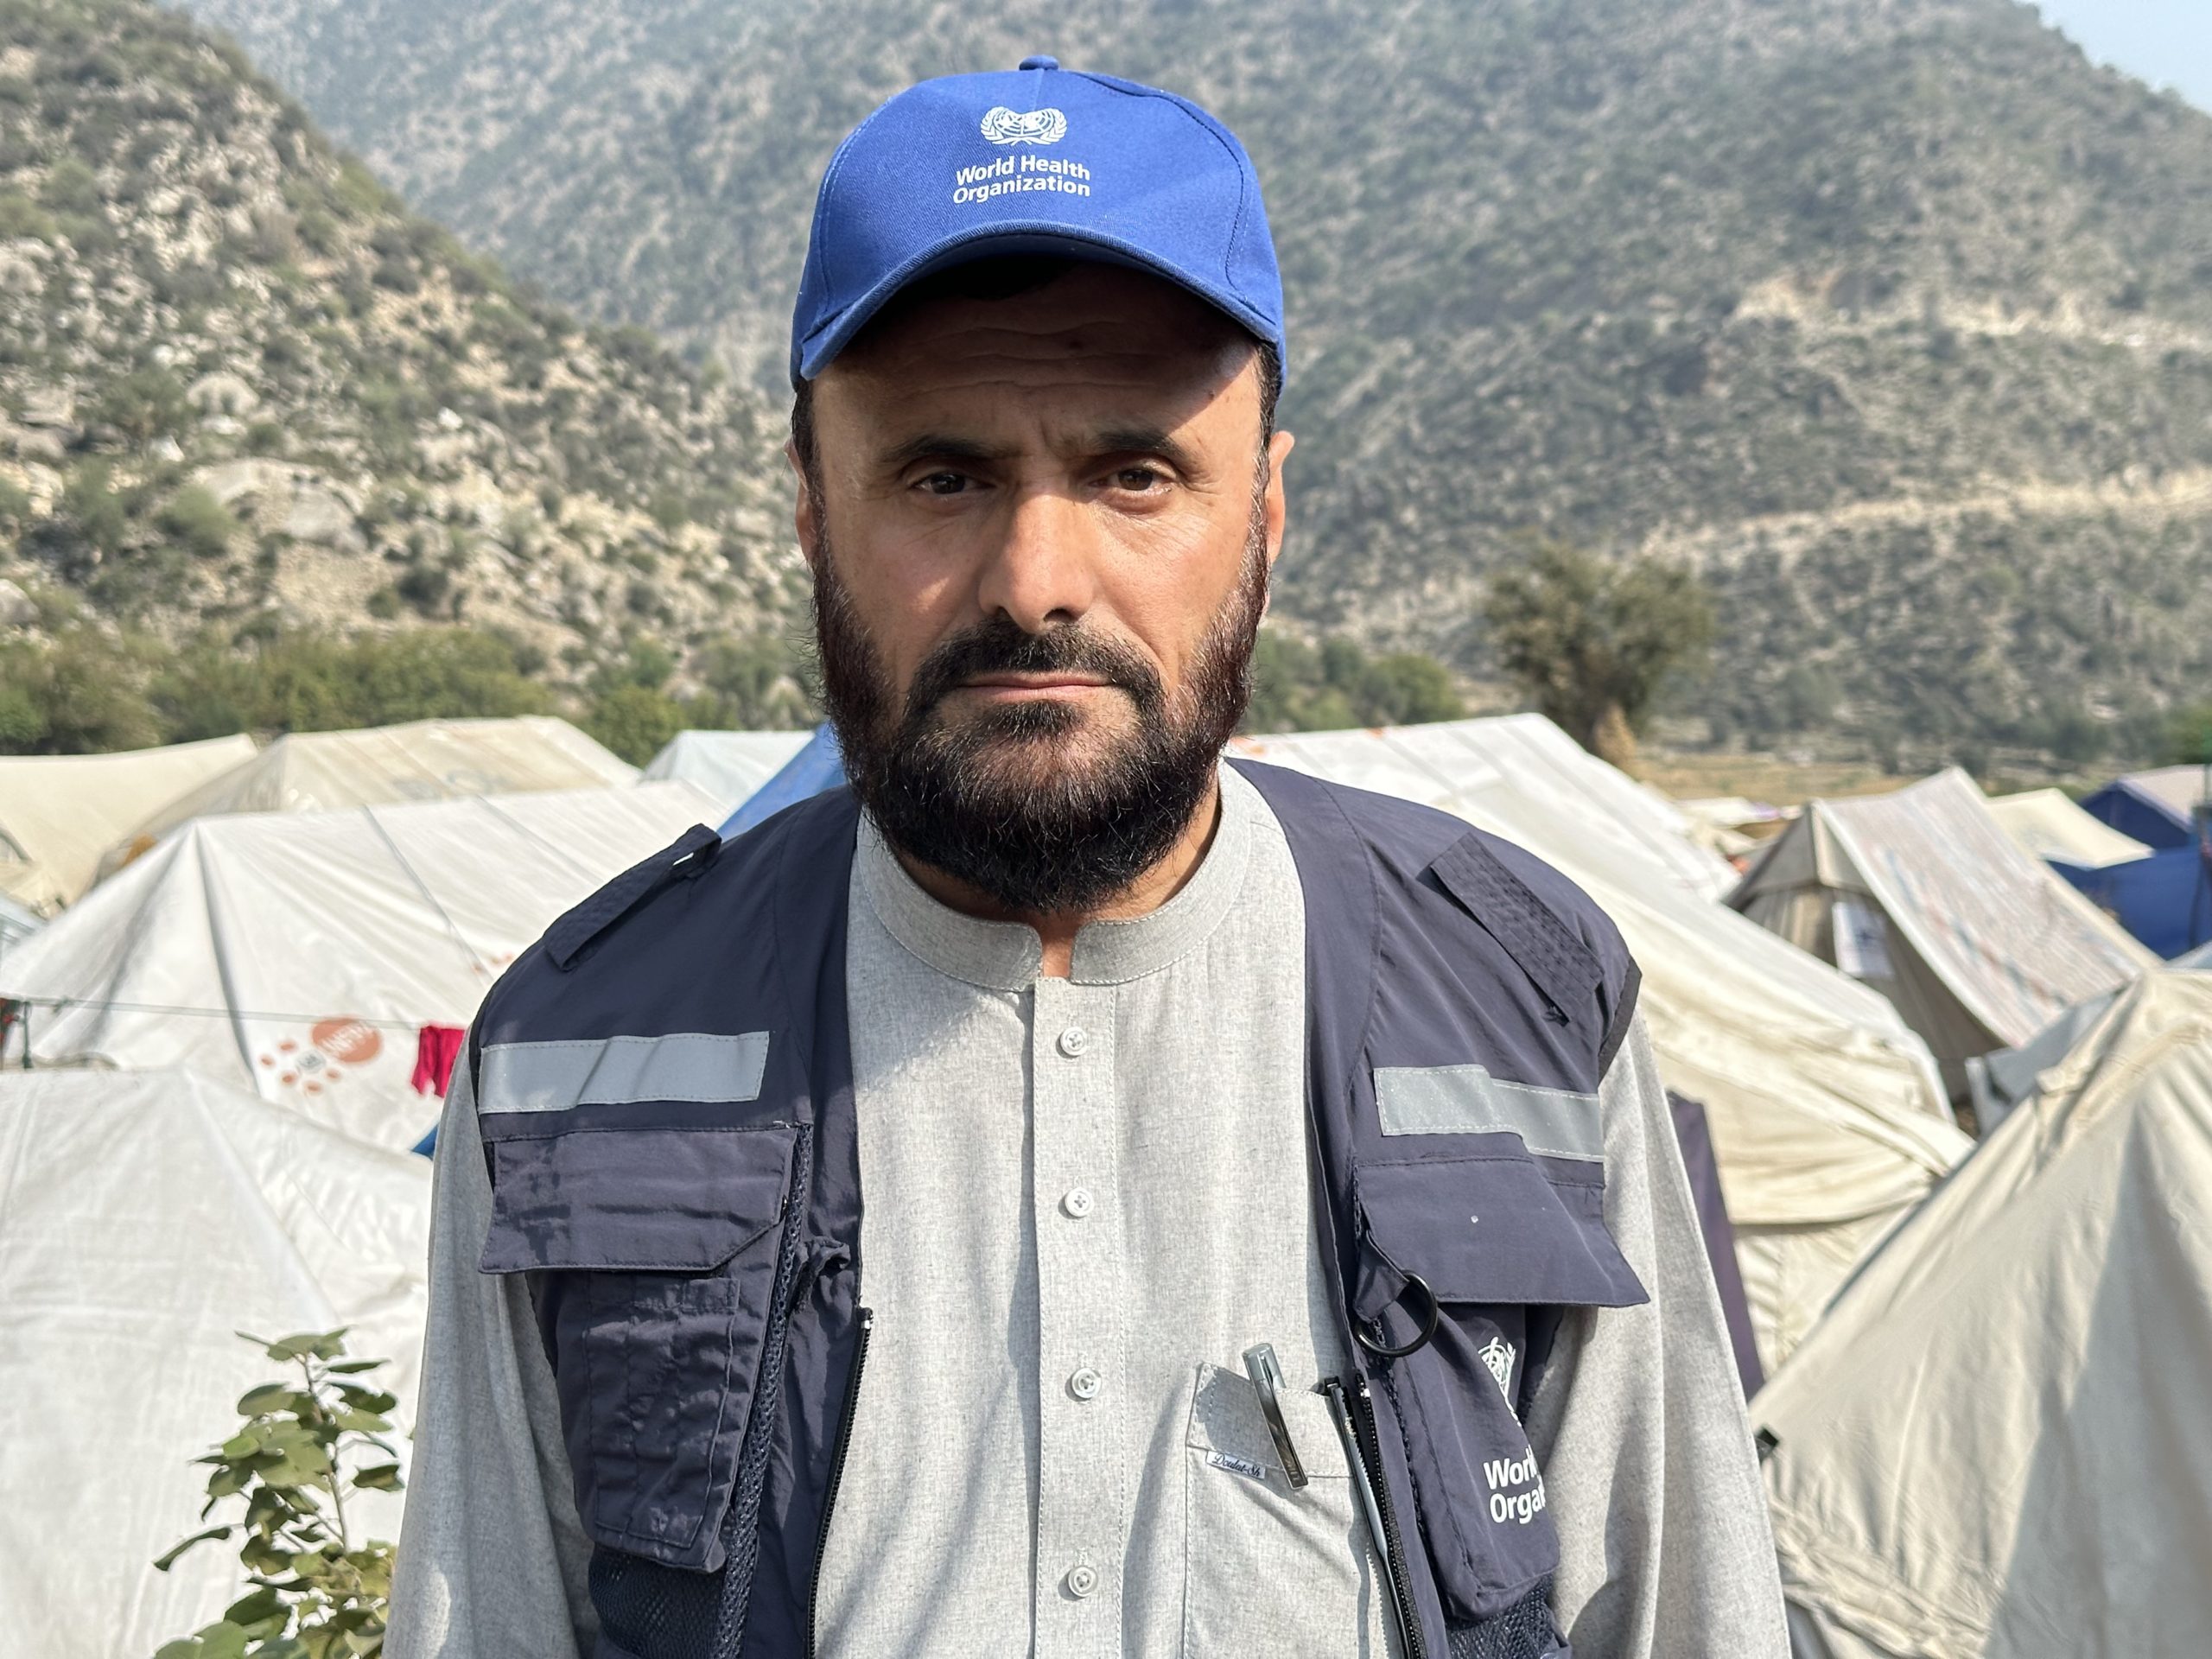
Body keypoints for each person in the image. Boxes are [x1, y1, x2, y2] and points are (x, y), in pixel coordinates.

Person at [388, 57, 1788, 1659]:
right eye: (943, 477)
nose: (1036, 578)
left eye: (1135, 476)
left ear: (1264, 515)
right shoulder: (577, 1049)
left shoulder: (1518, 1000)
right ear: (812, 510)